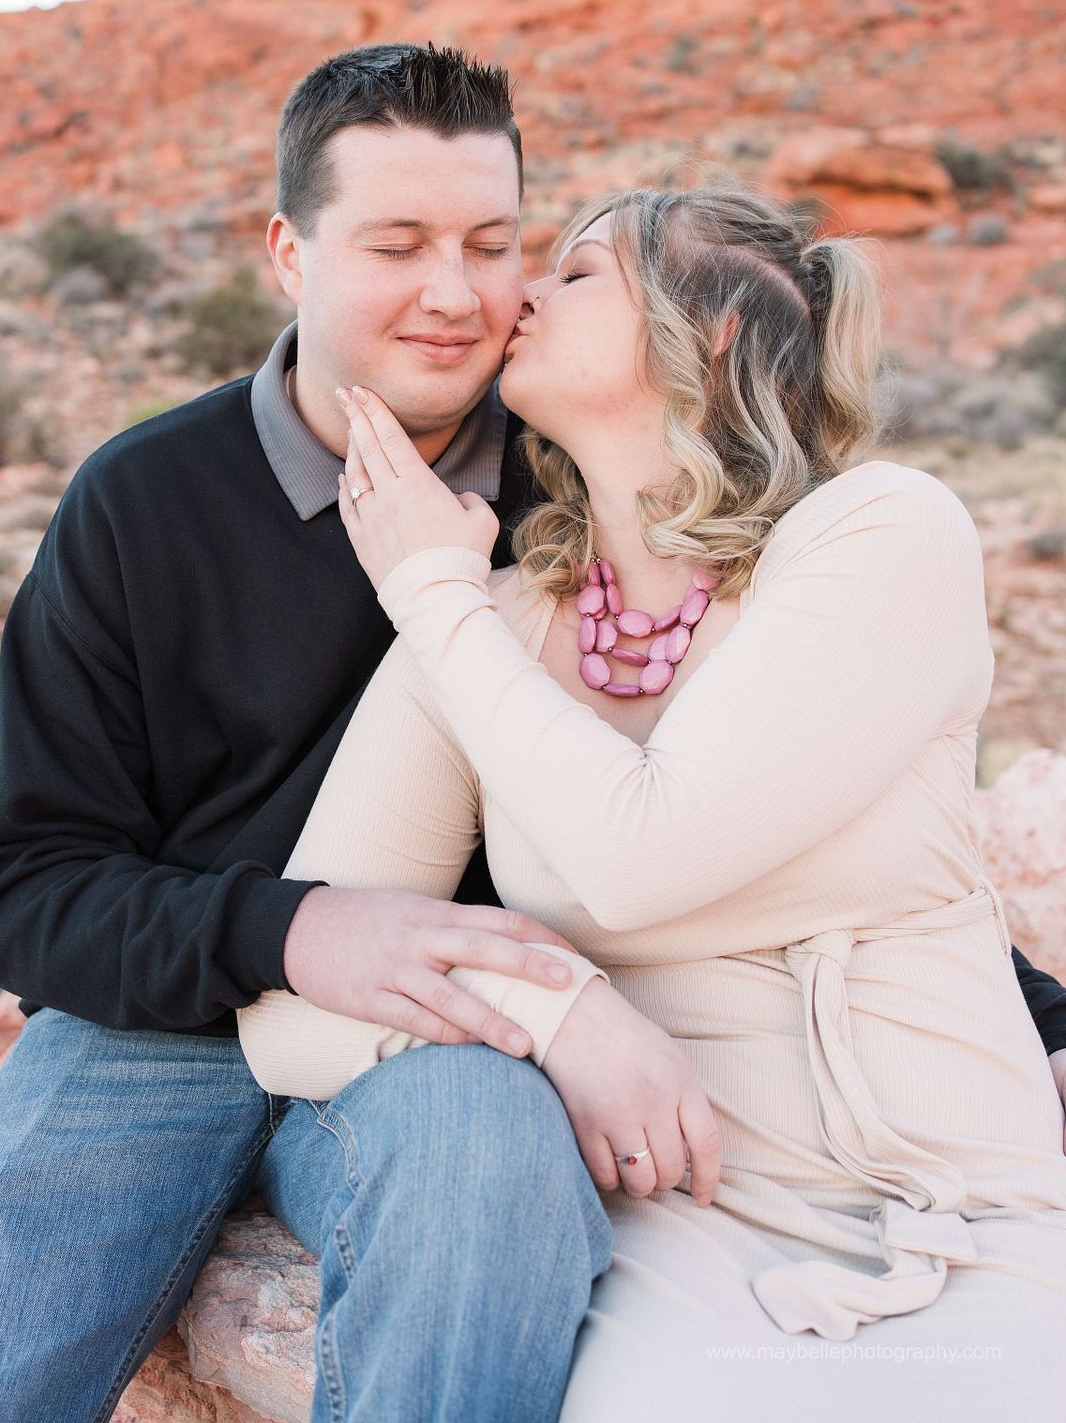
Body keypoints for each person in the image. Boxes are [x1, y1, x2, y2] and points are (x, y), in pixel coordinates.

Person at [0, 45, 1060, 1423]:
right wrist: (299, 932)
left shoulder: (582, 470)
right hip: (176, 1007)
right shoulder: (146, 500)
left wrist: (1019, 1012)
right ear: (286, 253)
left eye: (498, 246)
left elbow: (771, 771)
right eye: (396, 243)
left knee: (484, 1171)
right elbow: (20, 880)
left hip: (463, 1032)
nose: (461, 293)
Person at [236, 181, 1066, 1418]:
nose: (518, 296)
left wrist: (428, 591)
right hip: (681, 1244)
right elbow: (294, 1006)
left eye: (575, 275)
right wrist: (557, 1019)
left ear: (713, 331)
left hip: (973, 1213)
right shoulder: (488, 624)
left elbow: (643, 852)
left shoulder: (880, 535)